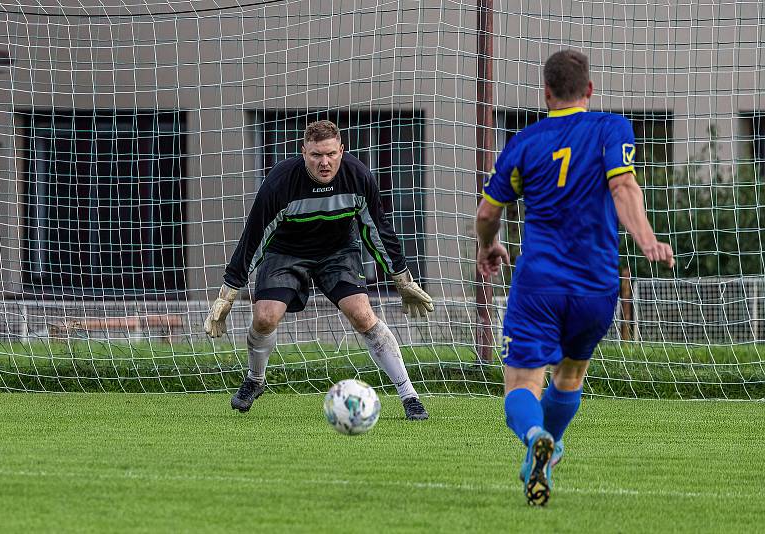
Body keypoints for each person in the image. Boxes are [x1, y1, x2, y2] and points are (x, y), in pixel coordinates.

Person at [476, 50, 674, 505]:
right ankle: (544, 453)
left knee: (522, 385)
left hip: (539, 283)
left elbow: (489, 212)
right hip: (596, 284)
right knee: (571, 372)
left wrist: (488, 247)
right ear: (589, 89)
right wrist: (646, 241)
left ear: (546, 92)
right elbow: (623, 186)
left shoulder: (523, 143)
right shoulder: (612, 129)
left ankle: (535, 437)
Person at [204, 120, 433, 420]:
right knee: (264, 318)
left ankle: (409, 396)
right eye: (315, 155)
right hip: (286, 252)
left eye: (330, 154)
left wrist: (402, 279)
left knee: (363, 315)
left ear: (341, 150)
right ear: (303, 152)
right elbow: (254, 238)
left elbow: (377, 230)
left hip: (338, 251)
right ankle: (255, 380)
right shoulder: (280, 182)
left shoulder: (358, 177)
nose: (324, 162)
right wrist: (228, 293)